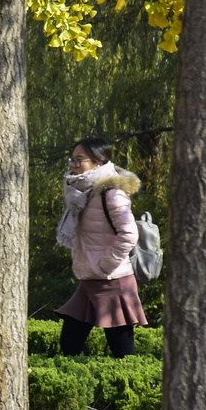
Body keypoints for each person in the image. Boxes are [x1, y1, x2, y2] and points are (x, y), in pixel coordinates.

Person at [55, 135, 145, 358]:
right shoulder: (83, 191)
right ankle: (72, 389)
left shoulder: (111, 193)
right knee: (69, 345)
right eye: (72, 159)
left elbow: (129, 233)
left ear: (99, 162)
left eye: (80, 160)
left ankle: (135, 391)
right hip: (91, 278)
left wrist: (106, 264)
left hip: (113, 281)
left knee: (123, 353)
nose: (74, 165)